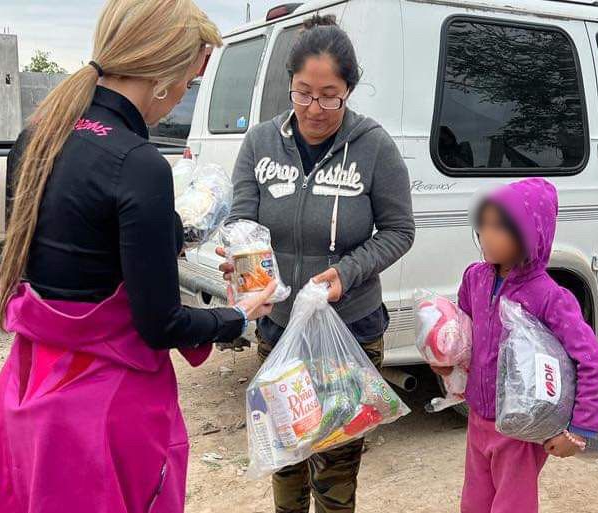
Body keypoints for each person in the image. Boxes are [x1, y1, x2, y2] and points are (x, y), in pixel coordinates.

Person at [0, 2, 274, 512]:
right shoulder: (138, 163)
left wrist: (168, 234)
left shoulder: (36, 137)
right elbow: (160, 323)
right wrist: (238, 314)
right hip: (101, 409)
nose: (184, 92)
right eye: (189, 80)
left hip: (29, 386)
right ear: (163, 76)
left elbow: (71, 250)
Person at [220, 14, 415, 513]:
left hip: (349, 333)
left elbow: (399, 231)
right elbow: (242, 219)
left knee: (335, 469)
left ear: (349, 90)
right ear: (290, 83)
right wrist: (239, 260)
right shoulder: (261, 143)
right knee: (284, 455)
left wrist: (346, 273)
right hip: (281, 331)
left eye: (330, 96)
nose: (314, 108)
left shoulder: (374, 147)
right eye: (303, 93)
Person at [441, 178, 598, 513]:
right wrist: (447, 360)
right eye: (483, 224)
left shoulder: (548, 297)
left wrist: (578, 431)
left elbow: (593, 362)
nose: (486, 235)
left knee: (512, 506)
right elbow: (464, 331)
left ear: (529, 235)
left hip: (520, 427)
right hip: (479, 418)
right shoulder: (475, 278)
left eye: (499, 227)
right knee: (473, 503)